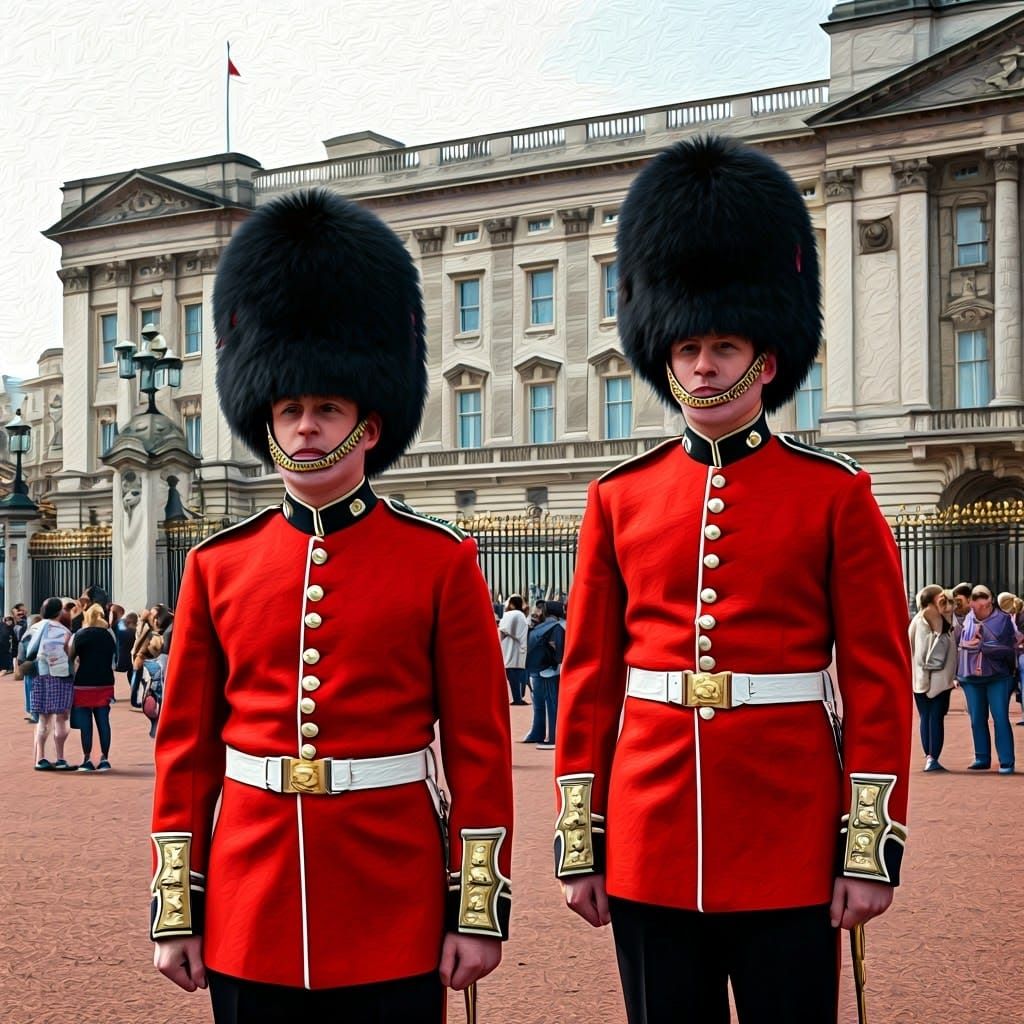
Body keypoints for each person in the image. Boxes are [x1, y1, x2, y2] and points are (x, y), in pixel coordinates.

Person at [553, 136, 912, 1024]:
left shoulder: (836, 494)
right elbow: (591, 681)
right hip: (649, 833)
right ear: (662, 357)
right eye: (687, 349)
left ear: (767, 356)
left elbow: (877, 682)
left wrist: (866, 848)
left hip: (788, 834)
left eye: (723, 345)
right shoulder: (619, 498)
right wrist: (581, 838)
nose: (704, 366)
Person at [149, 189, 513, 1024]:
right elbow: (188, 754)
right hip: (251, 899)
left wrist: (476, 906)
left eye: (327, 409)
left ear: (368, 425)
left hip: (393, 898)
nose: (307, 428)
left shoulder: (438, 561)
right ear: (264, 419)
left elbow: (479, 752)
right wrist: (179, 903)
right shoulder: (217, 565)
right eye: (289, 410)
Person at [956, 585, 1017, 773]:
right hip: (971, 677)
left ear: (990, 600)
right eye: (974, 597)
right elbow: (955, 641)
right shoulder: (965, 619)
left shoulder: (1004, 620)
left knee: (999, 717)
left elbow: (1009, 648)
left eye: (982, 597)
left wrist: (985, 646)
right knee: (976, 719)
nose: (977, 601)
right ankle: (981, 757)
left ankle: (1006, 760)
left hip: (997, 676)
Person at [908, 585, 956, 772]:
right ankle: (932, 757)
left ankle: (930, 756)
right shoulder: (933, 621)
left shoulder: (919, 620)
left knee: (927, 717)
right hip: (935, 680)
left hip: (921, 679)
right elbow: (922, 653)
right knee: (934, 717)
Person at [27, 597, 77, 771]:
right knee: (62, 718)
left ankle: (40, 757)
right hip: (62, 676)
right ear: (59, 611)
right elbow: (71, 655)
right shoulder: (65, 631)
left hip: (40, 677)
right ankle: (60, 758)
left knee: (43, 719)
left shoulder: (34, 628)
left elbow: (25, 651)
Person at [69, 603, 117, 771]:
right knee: (103, 721)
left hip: (83, 682)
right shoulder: (109, 635)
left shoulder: (80, 634)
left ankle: (87, 758)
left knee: (86, 723)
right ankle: (105, 758)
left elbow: (71, 655)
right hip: (105, 681)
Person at [524, 601, 565, 749]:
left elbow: (557, 647)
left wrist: (558, 663)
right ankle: (547, 734)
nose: (538, 612)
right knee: (549, 703)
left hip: (546, 669)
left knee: (550, 703)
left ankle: (552, 737)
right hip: (547, 668)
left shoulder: (551, 626)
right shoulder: (556, 625)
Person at [499, 595, 530, 705]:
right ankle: (519, 698)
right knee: (520, 675)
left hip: (508, 649)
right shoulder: (521, 615)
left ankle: (517, 699)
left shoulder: (509, 614)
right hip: (519, 650)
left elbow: (503, 629)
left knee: (512, 675)